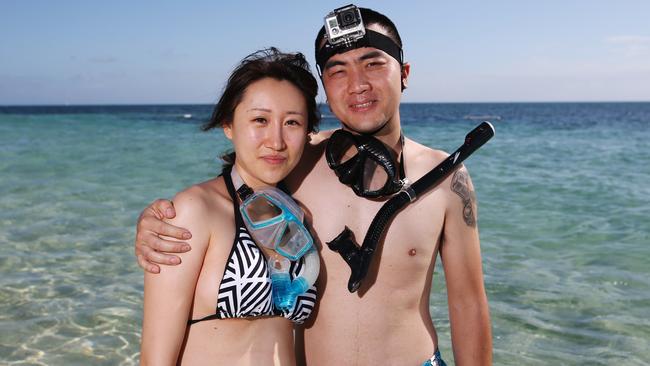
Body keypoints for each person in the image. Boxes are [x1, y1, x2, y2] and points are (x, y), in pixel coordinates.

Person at [136, 6, 492, 365]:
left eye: (373, 64)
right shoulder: (295, 160)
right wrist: (156, 222)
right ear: (325, 86)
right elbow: (224, 196)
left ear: (404, 73)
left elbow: (468, 302)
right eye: (338, 69)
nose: (358, 84)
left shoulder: (447, 177)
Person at [139, 48, 321, 365]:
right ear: (229, 125)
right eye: (260, 120)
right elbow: (155, 358)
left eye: (291, 122)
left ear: (307, 132)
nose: (276, 141)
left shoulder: (300, 213)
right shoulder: (196, 211)